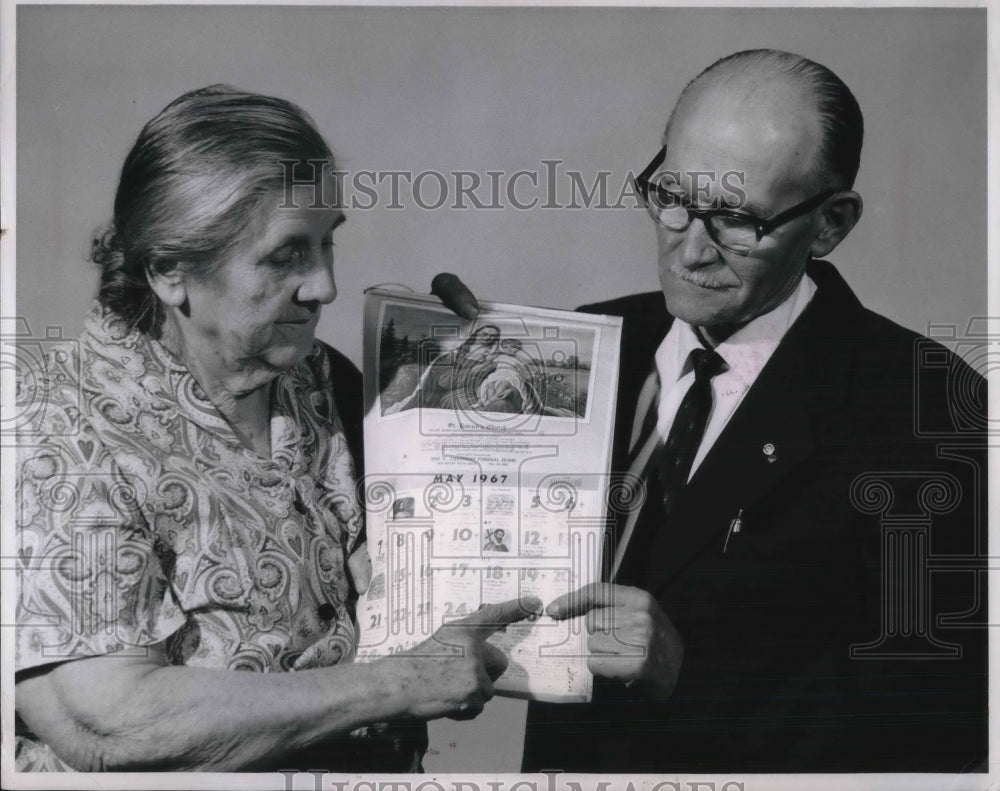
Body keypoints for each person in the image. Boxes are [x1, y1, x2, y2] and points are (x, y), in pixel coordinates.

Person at [442, 49, 987, 772]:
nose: (689, 249)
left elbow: (946, 725)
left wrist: (692, 677)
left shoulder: (925, 405)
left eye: (734, 219)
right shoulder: (583, 344)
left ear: (829, 224)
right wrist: (430, 380)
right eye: (671, 194)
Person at [13, 85, 540, 773]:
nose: (325, 286)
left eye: (327, 243)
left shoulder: (323, 381)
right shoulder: (57, 423)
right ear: (171, 270)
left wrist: (453, 371)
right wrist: (398, 685)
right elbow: (106, 722)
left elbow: (449, 570)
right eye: (286, 254)